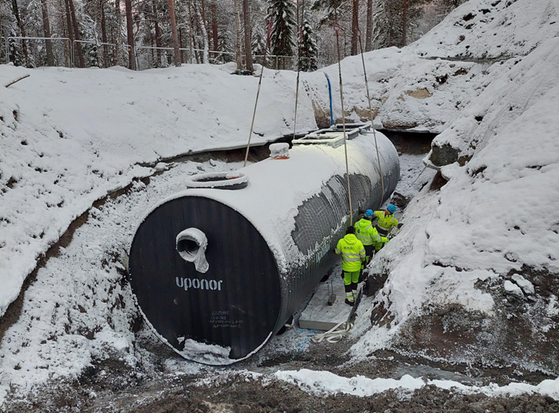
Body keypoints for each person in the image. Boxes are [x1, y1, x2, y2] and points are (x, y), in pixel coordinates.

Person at [335, 226, 366, 306]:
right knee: (355, 281)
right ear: (354, 233)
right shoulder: (358, 242)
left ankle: (350, 300)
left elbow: (337, 252)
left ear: (346, 232)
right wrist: (363, 262)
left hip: (347, 268)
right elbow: (363, 255)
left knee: (347, 282)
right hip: (357, 267)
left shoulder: (341, 241)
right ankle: (354, 296)